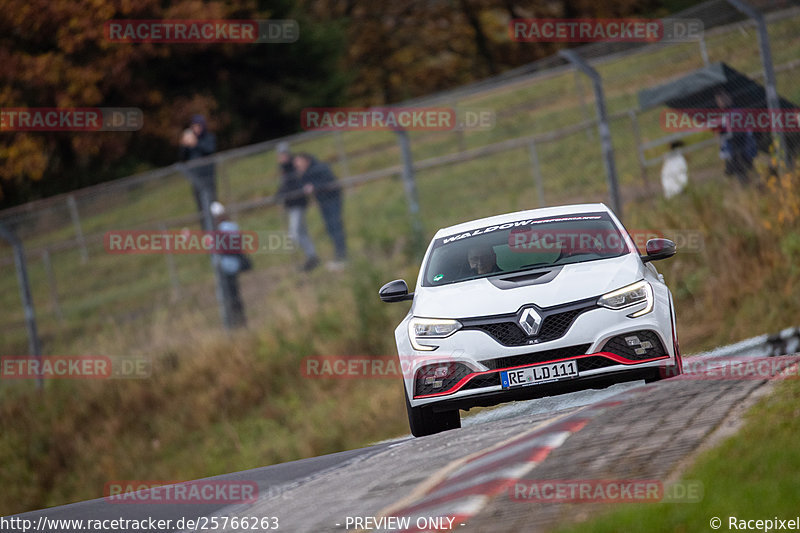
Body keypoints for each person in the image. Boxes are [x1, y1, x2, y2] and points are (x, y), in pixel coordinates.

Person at [293, 153, 347, 270]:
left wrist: (314, 186)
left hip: (332, 200)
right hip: (323, 202)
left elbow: (329, 181)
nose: (298, 166)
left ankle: (342, 256)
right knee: (330, 228)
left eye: (299, 163)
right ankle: (339, 255)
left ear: (306, 160)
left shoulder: (319, 168)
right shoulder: (305, 172)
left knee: (335, 226)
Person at [276, 143, 319, 271]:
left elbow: (294, 185)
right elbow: (285, 186)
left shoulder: (293, 166)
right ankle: (312, 256)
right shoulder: (284, 169)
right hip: (292, 204)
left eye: (284, 154)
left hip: (297, 203)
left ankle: (310, 257)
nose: (282, 157)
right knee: (301, 232)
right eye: (280, 155)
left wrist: (282, 193)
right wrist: (279, 195)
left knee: (294, 233)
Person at [210, 201, 247, 328]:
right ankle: (240, 319)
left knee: (227, 294)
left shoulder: (220, 230)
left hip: (225, 265)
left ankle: (232, 322)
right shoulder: (233, 226)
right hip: (234, 263)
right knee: (234, 292)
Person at [714, 90, 756, 185]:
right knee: (736, 169)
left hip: (742, 142)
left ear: (729, 98)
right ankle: (744, 184)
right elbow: (718, 134)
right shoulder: (719, 116)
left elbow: (748, 127)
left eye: (724, 98)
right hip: (730, 147)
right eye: (719, 100)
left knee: (746, 166)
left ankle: (750, 183)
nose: (722, 101)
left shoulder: (738, 111)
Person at [179, 114, 218, 215]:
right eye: (194, 126)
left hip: (208, 177)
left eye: (198, 126)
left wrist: (196, 143)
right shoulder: (190, 142)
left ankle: (215, 227)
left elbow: (210, 149)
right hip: (196, 178)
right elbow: (182, 157)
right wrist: (184, 144)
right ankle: (206, 229)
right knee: (201, 207)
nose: (196, 129)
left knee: (212, 204)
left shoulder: (208, 137)